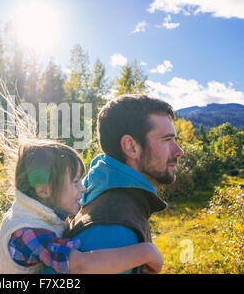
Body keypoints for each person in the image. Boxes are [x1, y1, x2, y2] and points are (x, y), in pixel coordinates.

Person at [0, 139, 164, 274]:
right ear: (44, 189)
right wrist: (146, 252)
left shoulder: (31, 211)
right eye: (75, 182)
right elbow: (81, 265)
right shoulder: (30, 233)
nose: (83, 187)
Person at [59, 94, 184, 274]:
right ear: (131, 146)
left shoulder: (100, 192)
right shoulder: (114, 230)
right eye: (167, 140)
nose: (179, 151)